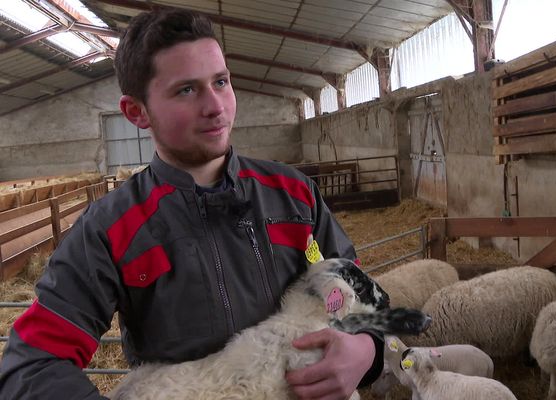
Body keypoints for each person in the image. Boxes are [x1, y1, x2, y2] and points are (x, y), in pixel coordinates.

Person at [0, 8, 383, 400]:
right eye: (187, 89)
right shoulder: (111, 227)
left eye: (221, 81)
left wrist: (368, 350)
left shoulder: (294, 194)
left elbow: (357, 290)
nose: (215, 105)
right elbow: (30, 365)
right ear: (137, 112)